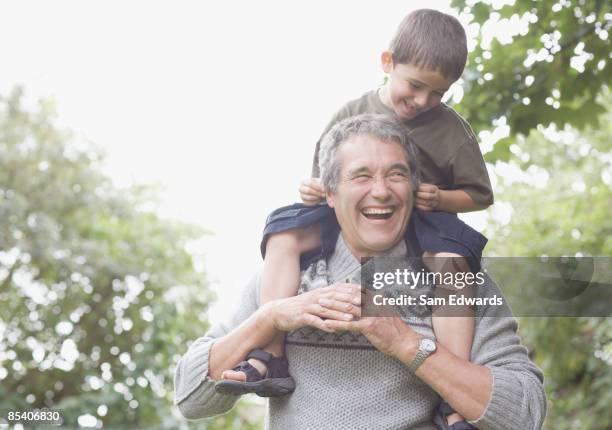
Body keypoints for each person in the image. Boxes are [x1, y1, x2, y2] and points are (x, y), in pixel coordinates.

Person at [174, 114, 546, 430]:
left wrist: (407, 344)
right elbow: (191, 398)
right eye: (362, 176)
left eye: (396, 175)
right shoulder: (284, 278)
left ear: (414, 189)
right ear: (330, 194)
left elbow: (526, 412)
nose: (381, 191)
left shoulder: (454, 276)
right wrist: (270, 318)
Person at [217, 9, 492, 428]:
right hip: (352, 216)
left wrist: (441, 197)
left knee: (452, 265)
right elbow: (325, 178)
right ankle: (270, 355)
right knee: (282, 231)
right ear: (387, 63)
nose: (423, 101)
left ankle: (449, 393)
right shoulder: (351, 110)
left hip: (424, 222)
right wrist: (313, 188)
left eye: (438, 93)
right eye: (415, 86)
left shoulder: (453, 131)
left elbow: (480, 196)